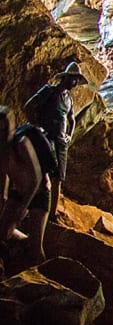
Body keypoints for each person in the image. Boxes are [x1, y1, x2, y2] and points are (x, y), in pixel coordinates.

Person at [23, 61, 89, 222]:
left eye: (76, 80)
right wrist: (37, 127)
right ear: (65, 78)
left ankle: (51, 215)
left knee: (58, 177)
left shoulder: (69, 100)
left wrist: (69, 135)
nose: (74, 83)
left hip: (60, 142)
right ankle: (31, 210)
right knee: (41, 175)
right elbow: (29, 106)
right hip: (46, 138)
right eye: (73, 79)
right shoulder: (49, 91)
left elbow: (71, 119)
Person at [0, 106, 53, 276]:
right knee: (3, 231)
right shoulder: (2, 150)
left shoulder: (22, 144)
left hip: (38, 194)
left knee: (36, 249)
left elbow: (36, 178)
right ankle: (24, 242)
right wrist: (4, 199)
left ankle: (47, 283)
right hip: (19, 192)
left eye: (6, 128)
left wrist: (23, 207)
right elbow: (4, 177)